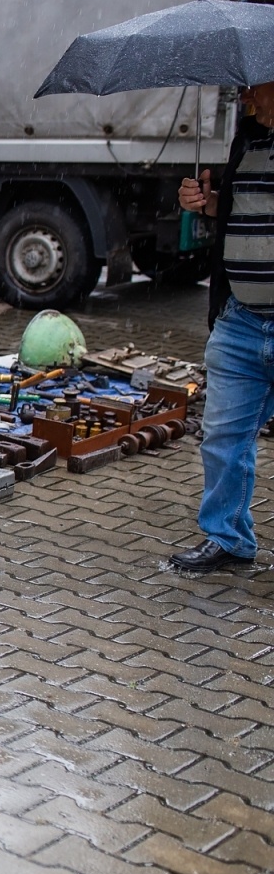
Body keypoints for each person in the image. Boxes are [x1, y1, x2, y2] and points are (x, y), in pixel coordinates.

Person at [172, 82, 274, 571]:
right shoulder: (247, 139)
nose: (246, 96)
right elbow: (235, 212)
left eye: (256, 86)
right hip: (241, 321)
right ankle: (228, 538)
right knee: (222, 438)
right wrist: (206, 202)